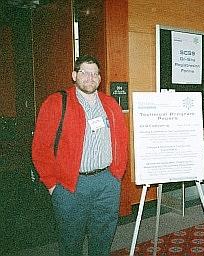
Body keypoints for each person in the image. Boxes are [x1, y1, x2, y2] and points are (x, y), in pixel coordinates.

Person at [32, 55, 128, 256]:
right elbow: (41, 147)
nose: (90, 78)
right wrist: (52, 185)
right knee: (70, 239)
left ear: (100, 79)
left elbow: (121, 140)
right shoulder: (57, 102)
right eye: (84, 72)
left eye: (94, 74)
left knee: (103, 236)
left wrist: (116, 175)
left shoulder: (110, 105)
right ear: (74, 75)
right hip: (71, 185)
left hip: (107, 183)